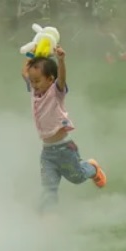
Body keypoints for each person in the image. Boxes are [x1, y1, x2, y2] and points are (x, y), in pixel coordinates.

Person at [22, 46, 106, 211]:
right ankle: (48, 218)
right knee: (49, 188)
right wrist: (34, 52)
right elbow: (25, 72)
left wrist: (60, 60)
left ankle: (93, 168)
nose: (33, 85)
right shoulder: (34, 92)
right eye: (32, 81)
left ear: (50, 79)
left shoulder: (56, 92)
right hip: (47, 153)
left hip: (65, 148)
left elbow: (61, 78)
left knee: (77, 177)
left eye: (37, 81)